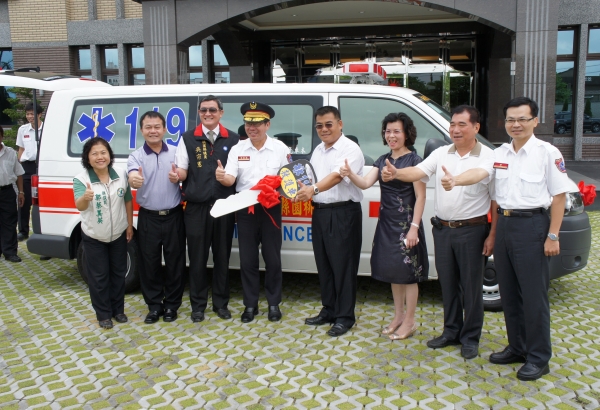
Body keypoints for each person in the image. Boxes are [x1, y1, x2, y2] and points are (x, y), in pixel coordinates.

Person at [440, 97, 572, 380]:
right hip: (506, 226)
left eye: (522, 119)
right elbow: (485, 181)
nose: (516, 124)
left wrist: (553, 235)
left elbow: (559, 196)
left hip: (533, 226)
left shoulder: (547, 153)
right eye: (511, 119)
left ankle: (538, 357)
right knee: (510, 294)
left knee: (533, 296)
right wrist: (457, 182)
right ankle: (517, 347)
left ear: (535, 121)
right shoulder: (499, 152)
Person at [383, 105, 497, 359]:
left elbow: (481, 178)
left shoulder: (488, 156)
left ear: (476, 127)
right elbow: (420, 171)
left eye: (462, 125)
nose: (455, 130)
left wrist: (492, 235)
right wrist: (398, 172)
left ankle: (470, 338)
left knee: (471, 287)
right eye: (452, 124)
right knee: (448, 284)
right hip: (443, 229)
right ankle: (451, 331)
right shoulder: (441, 153)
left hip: (473, 230)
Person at [339, 112, 428, 340]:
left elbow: (420, 197)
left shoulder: (415, 162)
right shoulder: (381, 160)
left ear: (407, 133)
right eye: (388, 131)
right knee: (393, 273)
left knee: (409, 274)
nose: (391, 136)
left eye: (396, 131)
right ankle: (397, 316)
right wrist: (350, 174)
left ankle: (410, 320)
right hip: (387, 224)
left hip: (408, 225)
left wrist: (414, 227)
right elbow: (366, 183)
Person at [295, 106, 364, 337]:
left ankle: (345, 317)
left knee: (343, 267)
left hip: (343, 213)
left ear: (340, 124)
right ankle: (329, 309)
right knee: (324, 265)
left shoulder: (349, 149)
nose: (324, 129)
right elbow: (310, 177)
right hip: (321, 212)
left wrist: (312, 188)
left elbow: (336, 176)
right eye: (319, 126)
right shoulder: (318, 150)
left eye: (328, 124)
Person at [216, 101, 289, 323]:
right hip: (245, 209)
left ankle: (274, 304)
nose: (252, 127)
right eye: (248, 123)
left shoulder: (280, 148)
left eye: (257, 123)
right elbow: (231, 178)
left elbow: (289, 180)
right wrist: (222, 176)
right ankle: (250, 305)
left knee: (273, 258)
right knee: (247, 260)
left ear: (268, 125)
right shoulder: (238, 149)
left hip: (271, 209)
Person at [174, 95, 240, 323]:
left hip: (223, 207)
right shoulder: (188, 138)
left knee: (222, 257)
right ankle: (198, 306)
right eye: (204, 110)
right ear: (199, 113)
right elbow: (182, 169)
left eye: (212, 110)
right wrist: (176, 176)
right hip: (196, 208)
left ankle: (221, 304)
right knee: (198, 258)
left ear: (221, 112)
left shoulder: (233, 139)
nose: (208, 113)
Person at [127, 111, 186, 324]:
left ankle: (171, 306)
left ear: (165, 129)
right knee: (148, 263)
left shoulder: (176, 152)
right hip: (148, 218)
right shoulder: (136, 156)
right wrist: (135, 180)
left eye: (157, 127)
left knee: (175, 263)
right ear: (142, 130)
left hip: (173, 216)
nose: (153, 131)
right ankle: (153, 306)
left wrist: (178, 175)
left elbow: (183, 171)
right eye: (148, 127)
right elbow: (132, 174)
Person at [73, 137, 133, 329]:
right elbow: (79, 205)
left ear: (109, 154)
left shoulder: (121, 175)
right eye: (95, 153)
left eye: (103, 152)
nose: (100, 157)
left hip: (118, 234)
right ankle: (103, 314)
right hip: (94, 236)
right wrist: (85, 197)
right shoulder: (81, 179)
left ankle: (118, 310)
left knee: (118, 273)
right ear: (87, 158)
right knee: (99, 277)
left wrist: (130, 225)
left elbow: (128, 200)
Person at [16, 102, 43, 241]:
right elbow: (20, 149)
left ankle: (43, 231)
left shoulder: (47, 128)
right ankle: (23, 231)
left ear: (39, 114)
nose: (30, 116)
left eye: (32, 114)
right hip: (27, 166)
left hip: (42, 166)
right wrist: (19, 164)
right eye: (27, 114)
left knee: (42, 200)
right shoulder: (23, 130)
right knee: (24, 200)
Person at [0, 126, 25, 263]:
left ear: (2, 136)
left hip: (7, 191)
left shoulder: (10, 153)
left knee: (9, 222)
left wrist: (21, 192)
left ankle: (10, 252)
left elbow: (19, 173)